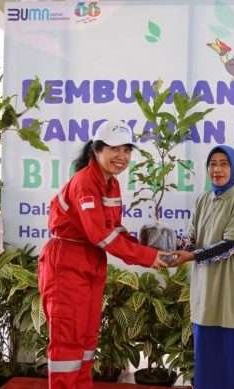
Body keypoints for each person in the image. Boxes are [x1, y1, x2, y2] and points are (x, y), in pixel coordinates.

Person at [39, 120, 169, 389]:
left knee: (86, 340)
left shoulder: (112, 185)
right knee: (67, 341)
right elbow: (100, 235)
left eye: (126, 150)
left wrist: (150, 251)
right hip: (66, 262)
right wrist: (147, 257)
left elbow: (115, 230)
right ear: (96, 151)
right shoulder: (85, 183)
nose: (121, 157)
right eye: (114, 149)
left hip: (92, 262)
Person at [171, 145, 234, 389]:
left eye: (223, 163)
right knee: (207, 368)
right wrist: (167, 244)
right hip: (206, 296)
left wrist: (190, 256)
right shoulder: (203, 199)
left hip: (233, 296)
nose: (217, 169)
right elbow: (191, 238)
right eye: (212, 164)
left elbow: (230, 245)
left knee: (233, 368)